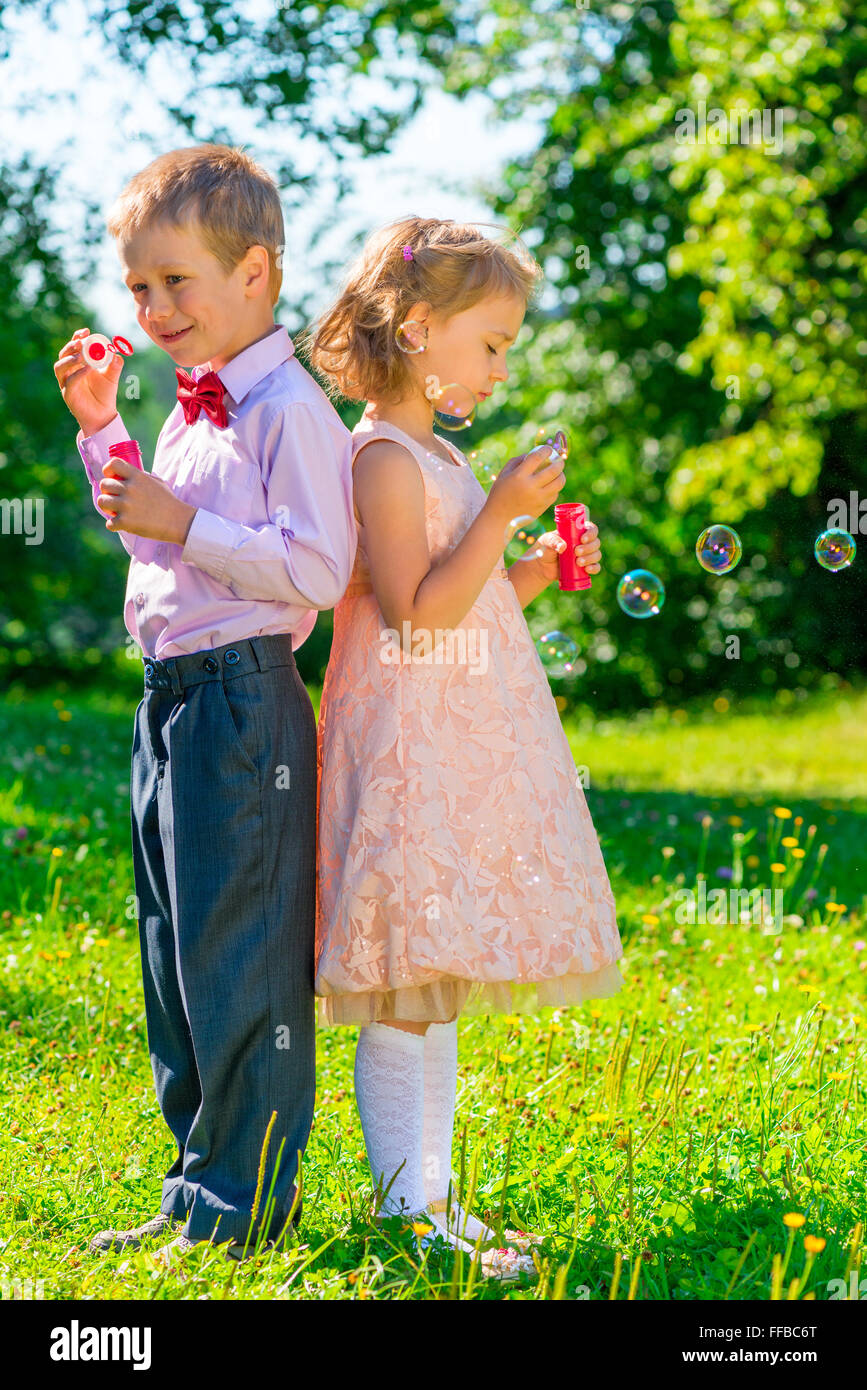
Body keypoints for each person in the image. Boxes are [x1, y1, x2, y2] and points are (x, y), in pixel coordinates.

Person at [52, 143, 356, 1267]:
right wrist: (102, 430)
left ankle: (248, 1206)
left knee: (240, 956)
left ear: (255, 274)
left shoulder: (289, 410)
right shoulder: (191, 409)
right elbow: (153, 531)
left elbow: (317, 571)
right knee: (175, 958)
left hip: (242, 702)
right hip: (170, 700)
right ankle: (196, 1189)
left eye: (176, 280)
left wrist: (189, 525)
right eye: (138, 286)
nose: (153, 305)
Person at [310, 216, 625, 1282]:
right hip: (403, 751)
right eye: (491, 343)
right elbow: (412, 614)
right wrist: (498, 509)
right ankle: (405, 1213)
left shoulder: (440, 455)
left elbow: (472, 598)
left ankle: (431, 1201)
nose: (501, 365)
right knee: (405, 983)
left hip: (451, 748)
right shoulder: (383, 460)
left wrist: (537, 566)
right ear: (419, 326)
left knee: (433, 985)